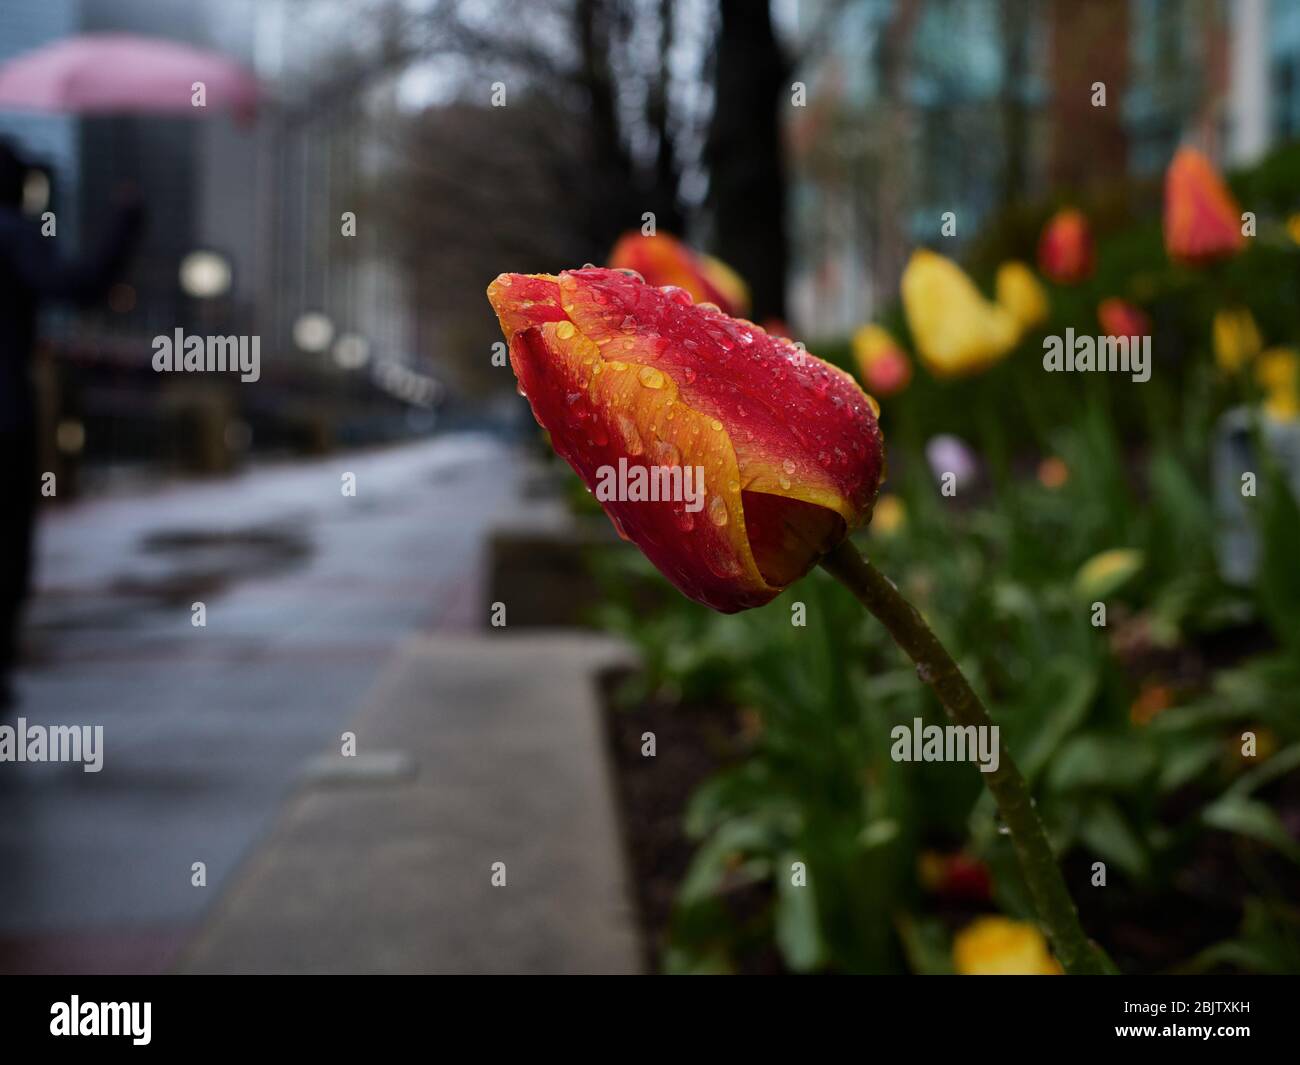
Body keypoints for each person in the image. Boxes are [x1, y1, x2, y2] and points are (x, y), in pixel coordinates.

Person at [0, 138, 144, 708]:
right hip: (6, 419)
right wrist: (126, 219)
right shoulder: (12, 233)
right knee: (8, 547)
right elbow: (80, 287)